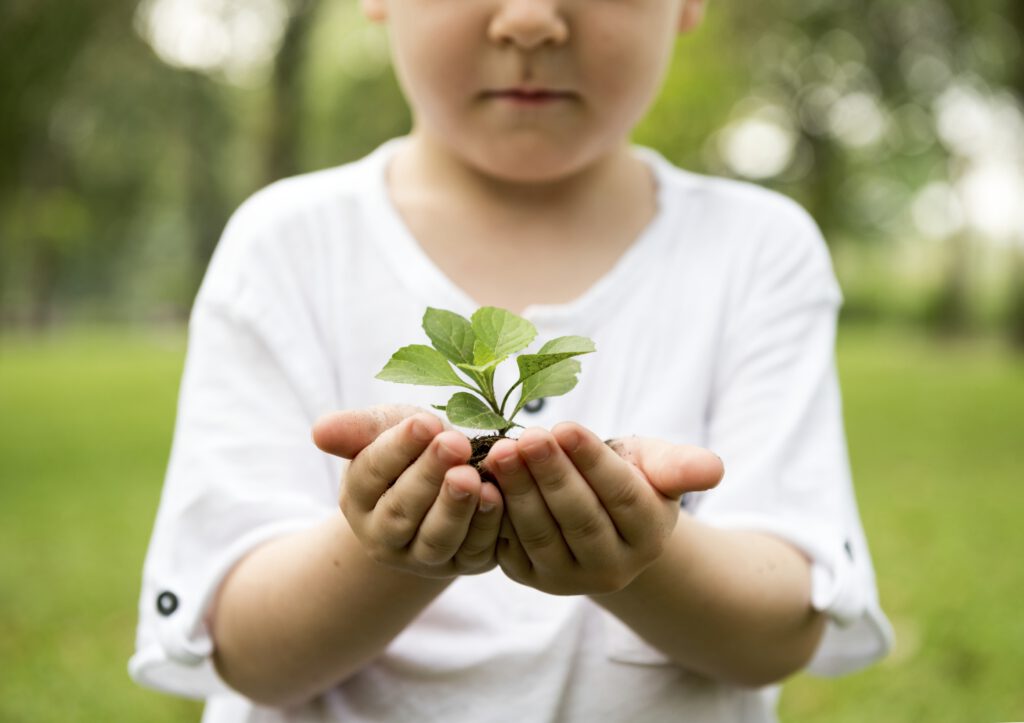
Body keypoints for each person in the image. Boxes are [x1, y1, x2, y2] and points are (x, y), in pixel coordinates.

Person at [129, 0, 893, 719]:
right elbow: (246, 648)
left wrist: (644, 551)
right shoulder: (284, 246)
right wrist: (383, 547)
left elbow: (782, 626)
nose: (530, 21)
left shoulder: (758, 251)